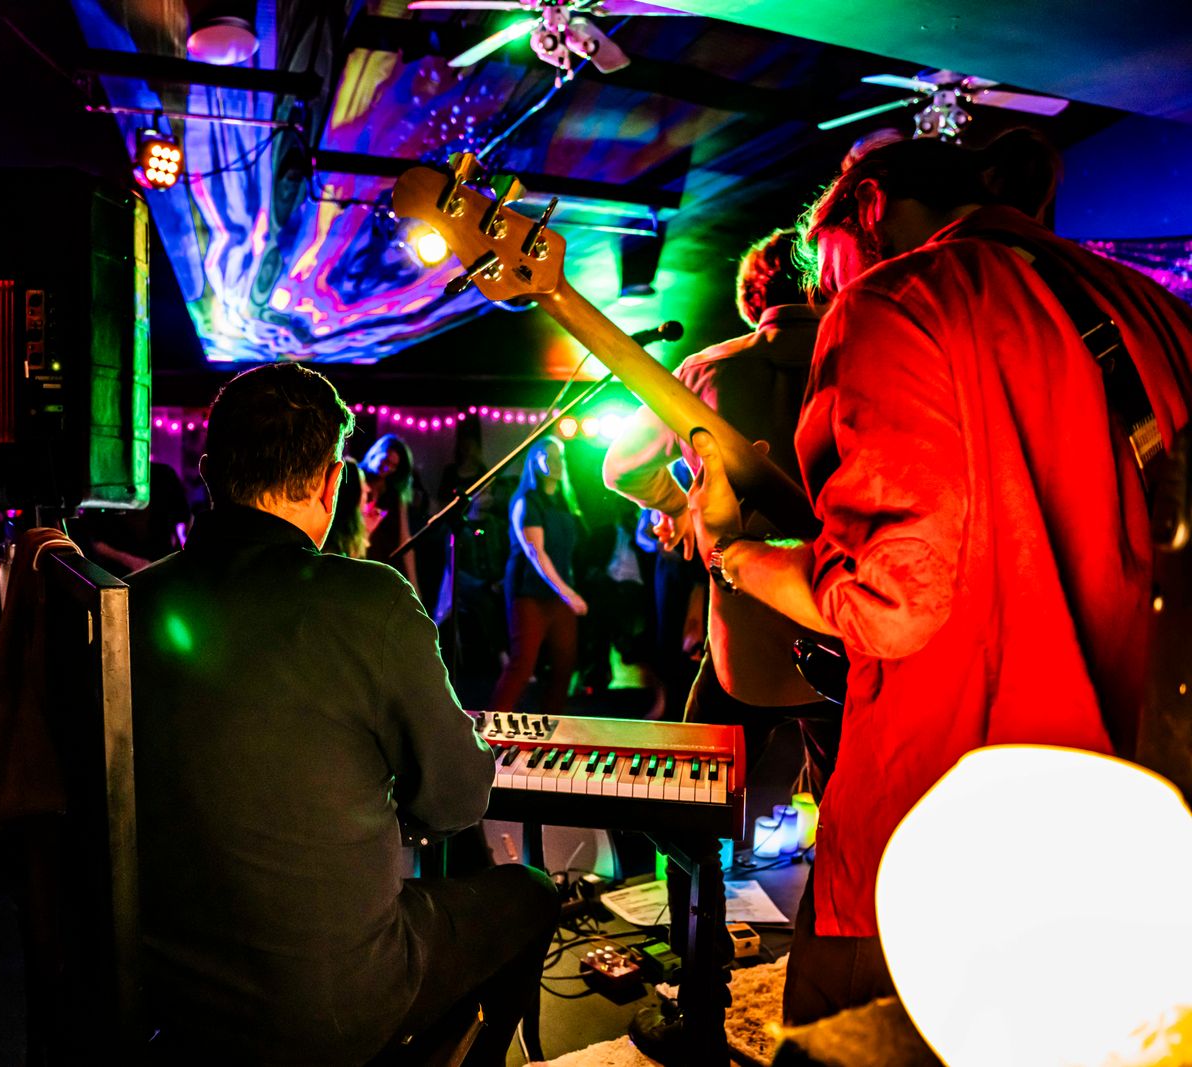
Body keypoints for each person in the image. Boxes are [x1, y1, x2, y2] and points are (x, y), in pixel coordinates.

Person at [685, 130, 1192, 1024]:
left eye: (827, 267)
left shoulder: (898, 298)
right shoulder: (1154, 305)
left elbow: (888, 601)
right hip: (1146, 810)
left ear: (871, 206)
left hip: (953, 815)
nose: (826, 294)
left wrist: (731, 548)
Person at [126, 364, 558, 1064]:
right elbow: (456, 800)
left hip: (172, 1002)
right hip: (329, 1007)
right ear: (333, 482)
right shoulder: (371, 598)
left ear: (206, 469)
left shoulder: (131, 602)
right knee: (530, 893)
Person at [604, 229, 838, 782]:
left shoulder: (703, 370)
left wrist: (679, 509)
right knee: (844, 810)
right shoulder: (864, 358)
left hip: (742, 637)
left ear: (753, 299)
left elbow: (621, 466)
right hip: (840, 627)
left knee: (694, 794)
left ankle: (700, 845)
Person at [489, 437, 586, 715]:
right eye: (547, 455)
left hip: (558, 591)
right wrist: (568, 592)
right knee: (523, 665)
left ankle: (551, 724)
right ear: (534, 460)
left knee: (565, 664)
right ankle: (491, 727)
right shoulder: (526, 501)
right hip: (529, 592)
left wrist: (567, 589)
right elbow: (536, 553)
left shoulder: (565, 501)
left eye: (559, 457)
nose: (555, 462)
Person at [363, 432, 427, 593]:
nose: (387, 468)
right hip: (360, 561)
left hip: (385, 567)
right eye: (386, 460)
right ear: (376, 452)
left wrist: (414, 587)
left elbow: (404, 539)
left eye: (393, 466)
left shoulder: (394, 495)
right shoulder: (356, 481)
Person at [322, 456, 384, 558]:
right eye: (362, 483)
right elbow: (349, 563)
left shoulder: (341, 535)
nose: (368, 489)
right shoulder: (333, 542)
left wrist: (366, 531)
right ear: (352, 494)